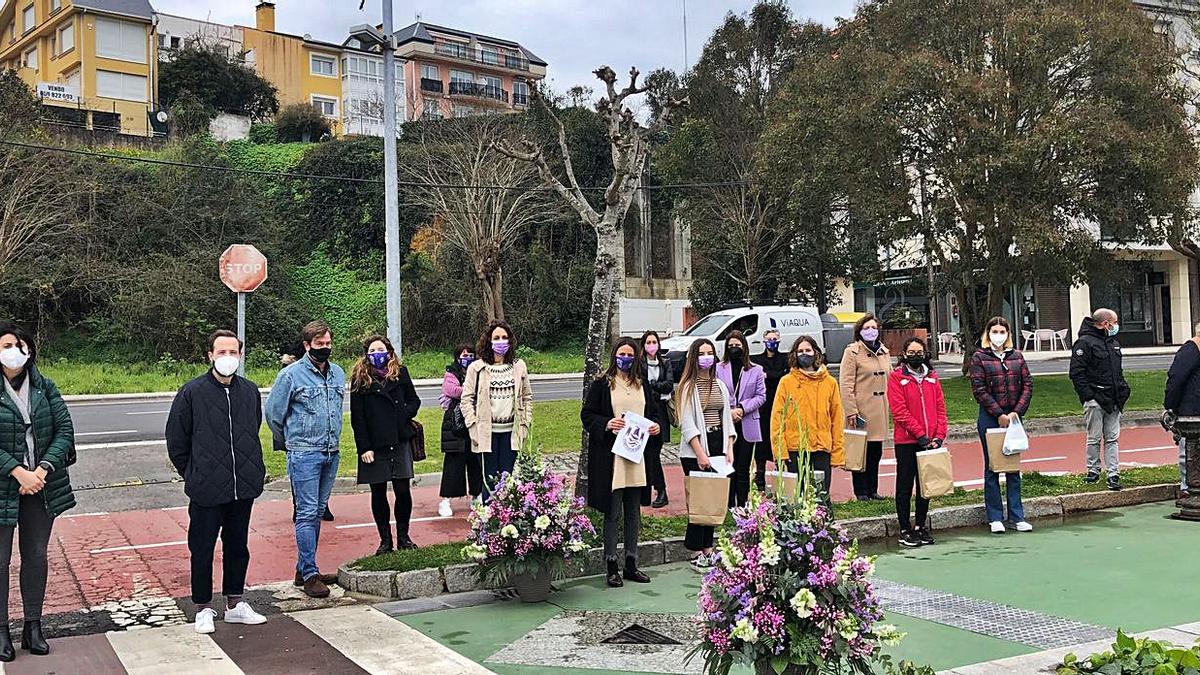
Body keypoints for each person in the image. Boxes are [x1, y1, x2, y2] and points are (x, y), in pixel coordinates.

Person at [166, 330, 268, 634]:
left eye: (233, 352)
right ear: (210, 356)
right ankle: (202, 607)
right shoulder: (192, 392)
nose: (227, 358)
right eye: (221, 352)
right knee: (202, 547)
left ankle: (235, 603)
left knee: (238, 546)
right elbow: (177, 439)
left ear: (240, 355)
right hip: (206, 489)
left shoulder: (249, 391)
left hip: (242, 486)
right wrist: (194, 473)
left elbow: (253, 429)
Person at [0, 322, 75, 660]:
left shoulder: (45, 386)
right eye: (5, 345)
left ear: (29, 350)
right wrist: (17, 471)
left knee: (35, 557)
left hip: (41, 485)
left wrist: (42, 469)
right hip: (5, 484)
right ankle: (1, 629)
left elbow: (65, 430)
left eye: (19, 344)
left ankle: (33, 626)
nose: (14, 350)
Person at [264, 320, 345, 598]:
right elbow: (274, 414)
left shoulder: (337, 374)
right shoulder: (291, 375)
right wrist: (290, 442)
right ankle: (310, 574)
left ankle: (304, 568)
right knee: (307, 513)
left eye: (328, 343)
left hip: (330, 451)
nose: (325, 348)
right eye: (319, 344)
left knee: (318, 511)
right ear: (307, 345)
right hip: (304, 453)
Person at [581, 338, 660, 587]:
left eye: (629, 354)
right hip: (612, 459)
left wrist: (656, 426)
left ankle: (632, 562)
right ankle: (611, 564)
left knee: (633, 512)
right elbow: (587, 415)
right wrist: (606, 423)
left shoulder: (643, 384)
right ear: (614, 355)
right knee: (613, 512)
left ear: (636, 358)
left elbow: (654, 413)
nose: (625, 358)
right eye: (621, 353)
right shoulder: (602, 384)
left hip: (637, 457)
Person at [350, 336, 421, 555]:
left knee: (402, 489)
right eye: (373, 350)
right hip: (374, 444)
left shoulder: (401, 372)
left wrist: (402, 415)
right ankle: (385, 541)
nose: (377, 354)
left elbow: (414, 401)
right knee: (378, 492)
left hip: (399, 439)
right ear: (367, 354)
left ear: (389, 352)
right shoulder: (360, 379)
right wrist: (364, 448)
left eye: (381, 349)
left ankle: (404, 537)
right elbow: (357, 418)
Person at [969, 317, 1034, 534]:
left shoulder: (1017, 356)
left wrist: (1017, 411)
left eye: (1002, 331)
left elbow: (1027, 385)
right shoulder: (979, 357)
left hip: (1014, 417)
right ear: (988, 333)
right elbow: (979, 389)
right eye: (995, 331)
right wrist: (998, 413)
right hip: (990, 417)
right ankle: (995, 516)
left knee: (1013, 466)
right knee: (993, 466)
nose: (999, 335)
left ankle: (1017, 516)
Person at [676, 339, 735, 570]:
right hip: (695, 449)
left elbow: (727, 418)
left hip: (717, 444)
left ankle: (708, 549)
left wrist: (729, 446)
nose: (706, 357)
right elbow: (687, 424)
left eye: (710, 353)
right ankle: (698, 550)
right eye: (702, 353)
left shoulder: (719, 385)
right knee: (700, 499)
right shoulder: (687, 387)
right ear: (694, 357)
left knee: (713, 499)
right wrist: (700, 454)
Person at [461, 321, 534, 501]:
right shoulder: (476, 368)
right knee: (490, 482)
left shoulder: (519, 366)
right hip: (486, 434)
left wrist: (525, 424)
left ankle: (507, 524)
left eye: (504, 338)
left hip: (511, 434)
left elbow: (526, 397)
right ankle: (488, 524)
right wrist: (473, 426)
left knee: (507, 481)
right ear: (488, 341)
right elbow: (466, 400)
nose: (500, 341)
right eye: (496, 338)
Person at [887, 338, 947, 548]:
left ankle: (921, 525)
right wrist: (920, 435)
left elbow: (940, 409)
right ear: (904, 354)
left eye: (919, 352)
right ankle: (905, 528)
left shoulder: (932, 377)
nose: (915, 355)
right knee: (905, 485)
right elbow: (899, 411)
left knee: (925, 486)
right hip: (907, 441)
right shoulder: (896, 378)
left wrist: (938, 436)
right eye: (911, 352)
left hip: (930, 441)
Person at [770, 336, 844, 502]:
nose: (804, 354)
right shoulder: (786, 382)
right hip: (795, 449)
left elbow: (836, 419)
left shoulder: (830, 383)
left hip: (821, 448)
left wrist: (837, 453)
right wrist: (780, 452)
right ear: (794, 355)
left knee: (821, 498)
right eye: (800, 351)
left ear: (816, 353)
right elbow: (777, 419)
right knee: (796, 500)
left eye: (808, 350)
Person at [1069, 308, 1130, 491]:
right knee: (1094, 437)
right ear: (1106, 324)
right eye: (1115, 322)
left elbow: (1117, 371)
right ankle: (1093, 470)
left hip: (1114, 399)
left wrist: (1123, 389)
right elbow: (1076, 373)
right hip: (1095, 398)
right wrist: (1088, 396)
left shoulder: (1113, 343)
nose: (1116, 326)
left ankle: (1113, 474)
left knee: (1112, 438)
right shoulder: (1084, 343)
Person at [839, 313, 890, 501]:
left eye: (874, 328)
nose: (871, 331)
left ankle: (873, 490)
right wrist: (851, 410)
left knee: (875, 452)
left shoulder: (884, 351)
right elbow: (845, 383)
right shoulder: (852, 352)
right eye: (867, 328)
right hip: (860, 410)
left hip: (879, 410)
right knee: (859, 452)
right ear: (859, 331)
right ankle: (861, 491)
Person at [716, 331, 766, 507]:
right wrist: (729, 411)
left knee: (743, 467)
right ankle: (728, 504)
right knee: (728, 465)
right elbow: (715, 393)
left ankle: (743, 503)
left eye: (737, 346)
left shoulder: (756, 370)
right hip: (726, 421)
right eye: (730, 346)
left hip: (747, 421)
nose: (734, 349)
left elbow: (761, 396)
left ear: (744, 347)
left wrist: (742, 408)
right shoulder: (718, 368)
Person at [439, 344, 483, 517]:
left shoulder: (479, 370)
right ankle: (446, 499)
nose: (467, 358)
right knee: (453, 463)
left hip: (475, 421)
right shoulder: (451, 372)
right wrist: (470, 391)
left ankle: (476, 495)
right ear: (457, 357)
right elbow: (451, 390)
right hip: (455, 425)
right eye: (464, 355)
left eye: (470, 355)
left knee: (475, 461)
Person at [1163, 323, 1200, 495]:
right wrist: (1171, 406)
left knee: (1191, 451)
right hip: (1191, 409)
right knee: (1189, 450)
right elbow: (1176, 380)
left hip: (1192, 406)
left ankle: (1190, 487)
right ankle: (1188, 488)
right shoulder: (1191, 350)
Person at [640, 330, 674, 508]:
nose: (651, 345)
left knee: (653, 454)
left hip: (660, 414)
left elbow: (669, 384)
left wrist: (652, 386)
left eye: (654, 342)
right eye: (648, 342)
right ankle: (646, 490)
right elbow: (640, 384)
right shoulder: (640, 364)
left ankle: (661, 490)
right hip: (643, 412)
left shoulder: (665, 363)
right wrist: (655, 389)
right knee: (644, 454)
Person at [752, 329, 788, 491]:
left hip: (781, 403)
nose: (772, 341)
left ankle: (780, 472)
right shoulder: (757, 360)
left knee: (780, 437)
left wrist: (770, 375)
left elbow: (783, 375)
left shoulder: (785, 359)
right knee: (762, 441)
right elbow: (760, 376)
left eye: (774, 338)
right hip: (763, 407)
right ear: (764, 341)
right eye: (769, 339)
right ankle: (759, 475)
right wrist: (774, 375)